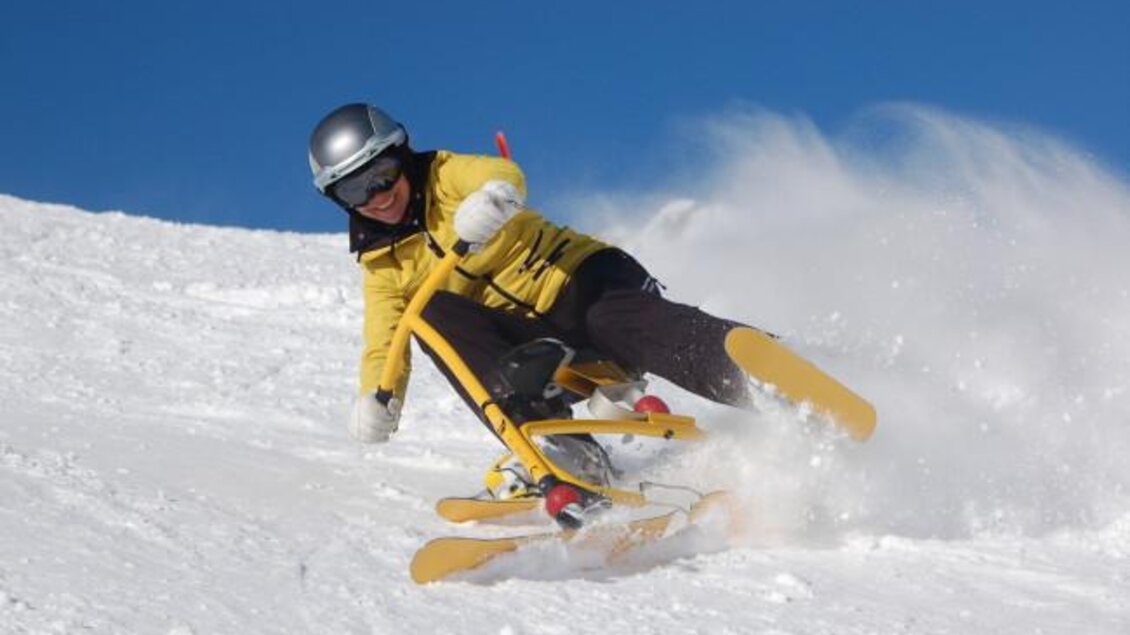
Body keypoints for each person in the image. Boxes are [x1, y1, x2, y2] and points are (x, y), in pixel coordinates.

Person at [309, 102, 751, 499]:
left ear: (402, 158)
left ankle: (761, 377)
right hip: (542, 343)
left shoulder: (444, 175)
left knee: (613, 320)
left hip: (583, 284)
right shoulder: (381, 262)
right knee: (427, 314)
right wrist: (377, 395)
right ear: (338, 200)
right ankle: (560, 451)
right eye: (354, 191)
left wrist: (489, 200)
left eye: (382, 175)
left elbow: (503, 175)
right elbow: (386, 338)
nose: (378, 196)